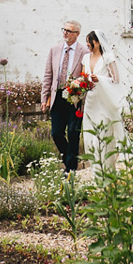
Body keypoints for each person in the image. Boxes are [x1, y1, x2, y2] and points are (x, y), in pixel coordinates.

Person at [81, 29, 133, 171]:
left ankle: (107, 168)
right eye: (86, 41)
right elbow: (83, 77)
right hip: (91, 102)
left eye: (89, 41)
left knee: (103, 135)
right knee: (89, 136)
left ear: (98, 42)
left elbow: (116, 79)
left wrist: (99, 79)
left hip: (104, 101)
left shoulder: (108, 57)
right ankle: (95, 169)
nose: (87, 44)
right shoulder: (85, 58)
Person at [41, 19, 89, 172]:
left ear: (77, 34)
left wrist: (80, 93)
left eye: (69, 31)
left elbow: (86, 76)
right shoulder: (54, 50)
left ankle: (70, 170)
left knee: (73, 134)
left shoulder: (84, 52)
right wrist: (44, 98)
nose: (65, 33)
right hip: (57, 97)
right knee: (56, 133)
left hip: (75, 99)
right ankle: (69, 159)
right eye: (64, 30)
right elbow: (48, 75)